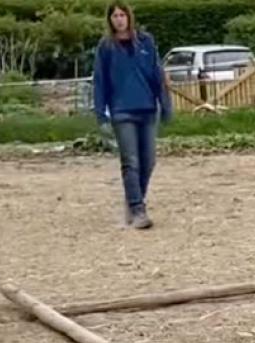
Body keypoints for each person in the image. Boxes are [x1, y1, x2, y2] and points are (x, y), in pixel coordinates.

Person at [92, 1, 173, 229]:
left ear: (129, 17)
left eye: (122, 15)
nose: (119, 19)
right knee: (131, 161)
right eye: (114, 16)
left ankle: (133, 199)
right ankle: (138, 210)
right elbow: (100, 81)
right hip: (121, 111)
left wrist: (165, 105)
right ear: (110, 20)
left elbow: (157, 75)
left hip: (147, 109)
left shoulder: (146, 42)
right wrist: (101, 114)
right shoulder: (106, 47)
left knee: (149, 161)